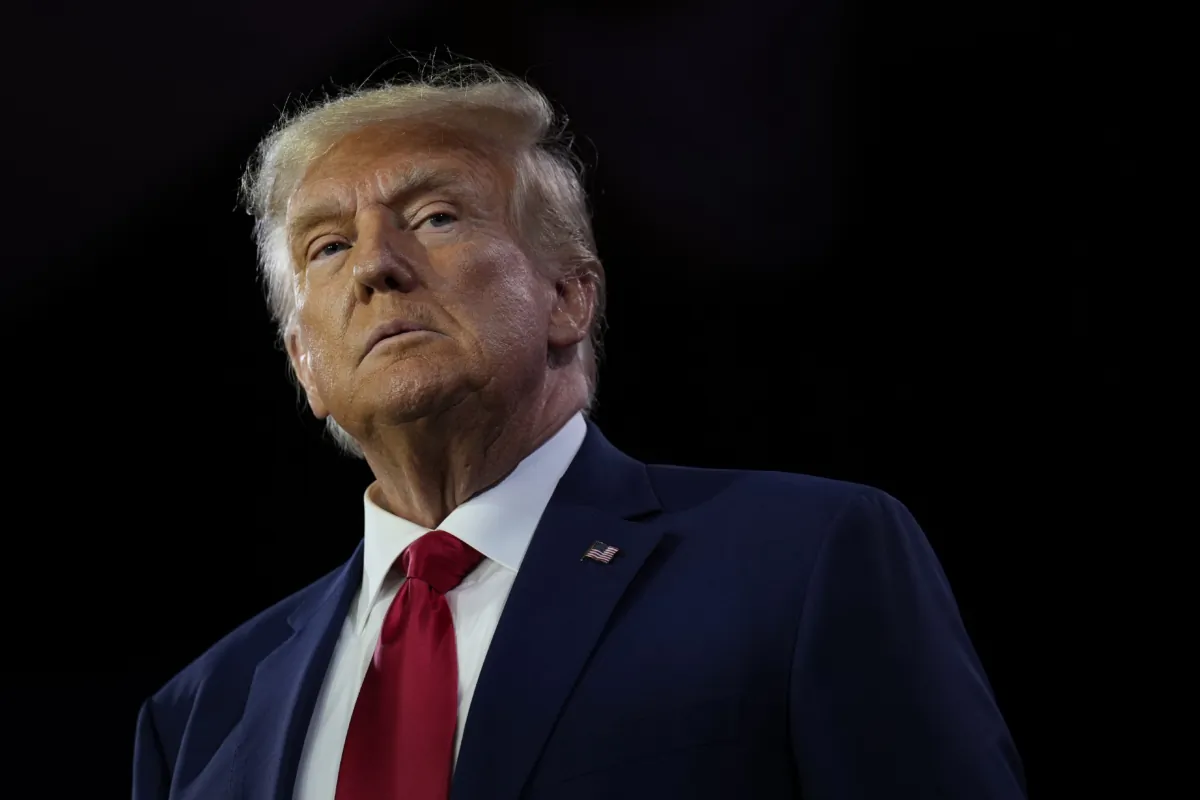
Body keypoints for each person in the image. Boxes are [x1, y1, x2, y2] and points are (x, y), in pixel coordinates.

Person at [131, 64, 1026, 800]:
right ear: (304, 366)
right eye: (327, 246)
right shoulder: (204, 712)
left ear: (568, 295)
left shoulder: (805, 562)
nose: (375, 265)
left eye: (435, 216)